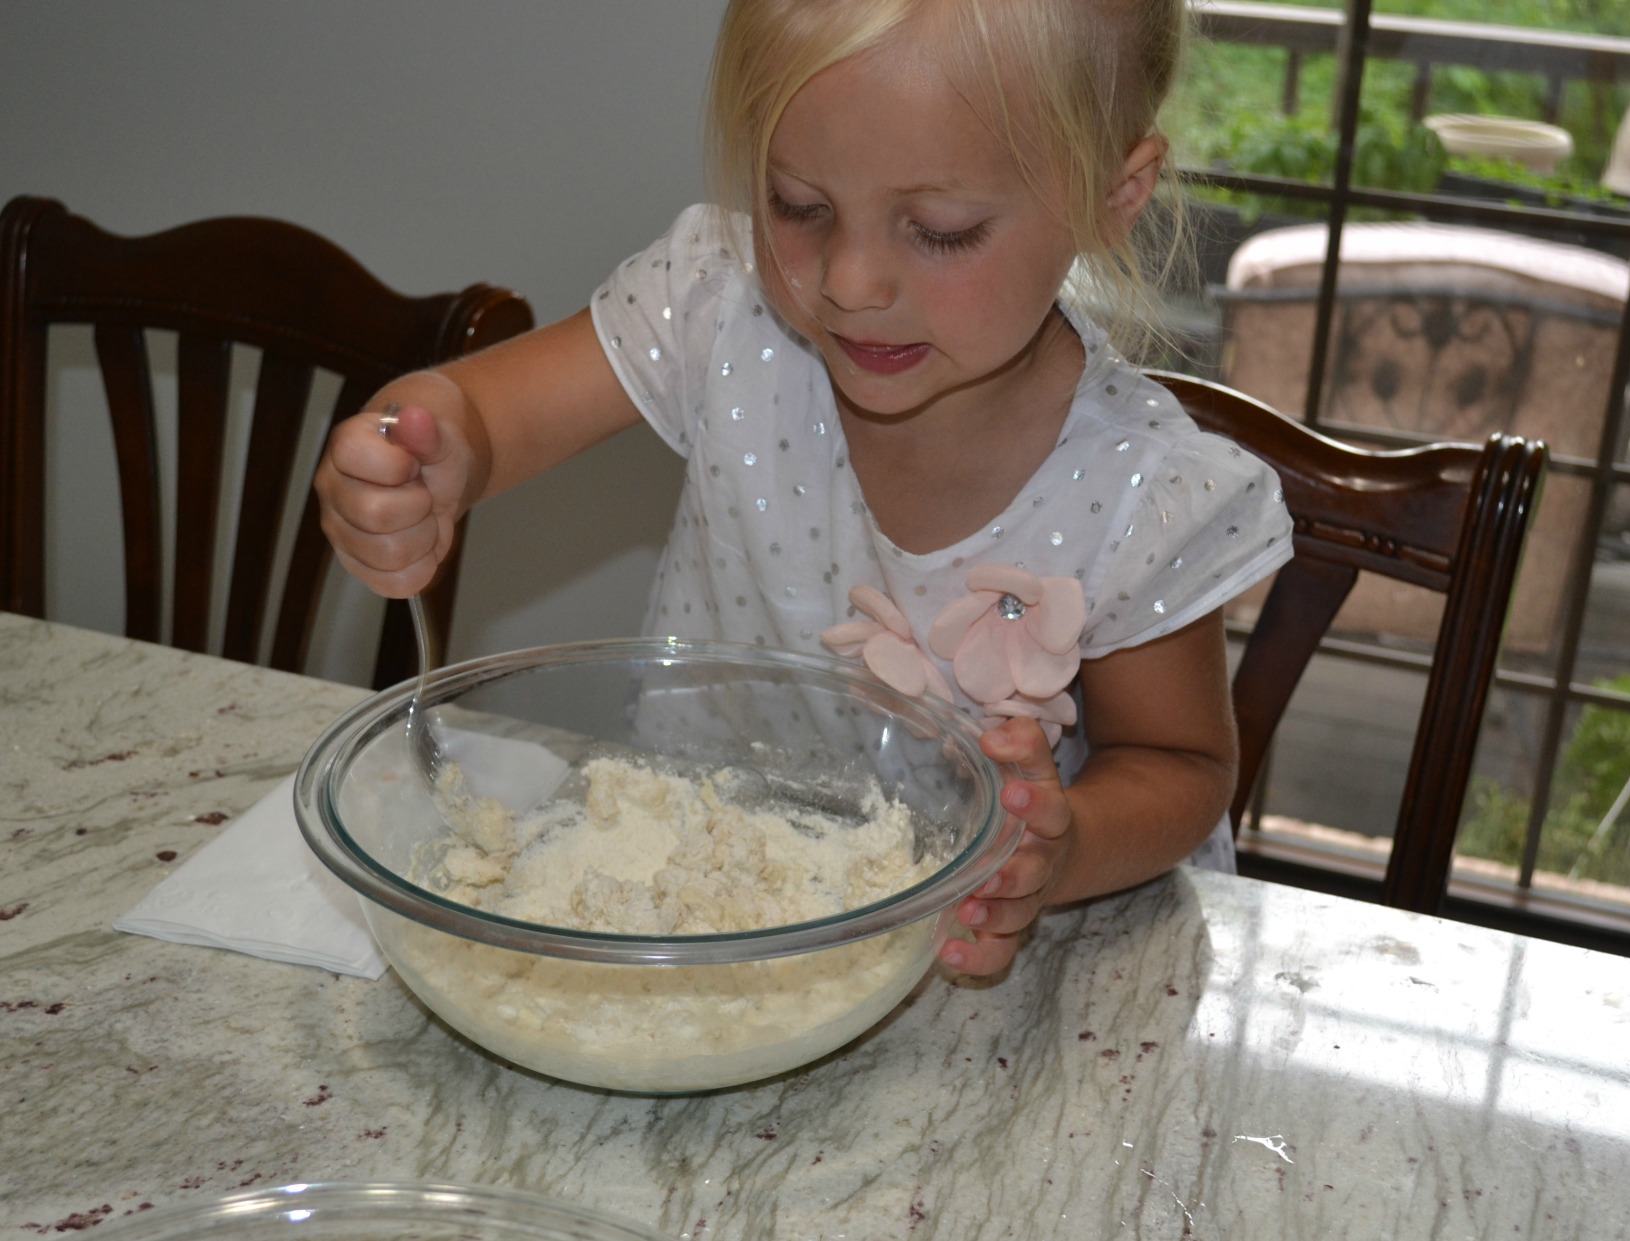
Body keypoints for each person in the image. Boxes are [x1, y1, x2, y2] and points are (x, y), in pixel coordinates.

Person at [315, 0, 1293, 978]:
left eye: (942, 230)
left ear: (1111, 195)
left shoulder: (1135, 493)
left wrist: (1059, 847)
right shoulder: (718, 310)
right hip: (712, 914)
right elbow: (484, 415)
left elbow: (1182, 768)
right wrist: (420, 453)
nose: (851, 281)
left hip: (998, 969)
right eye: (800, 205)